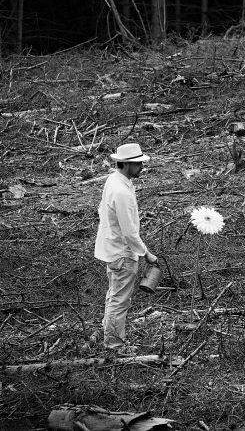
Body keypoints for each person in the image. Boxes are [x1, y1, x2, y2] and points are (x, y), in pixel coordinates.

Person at [94, 142, 158, 352]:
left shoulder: (114, 181)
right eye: (138, 163)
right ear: (126, 164)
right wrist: (146, 253)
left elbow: (102, 211)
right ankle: (114, 345)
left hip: (113, 249)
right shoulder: (121, 190)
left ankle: (107, 334)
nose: (141, 167)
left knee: (114, 295)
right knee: (120, 300)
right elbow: (130, 231)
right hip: (122, 253)